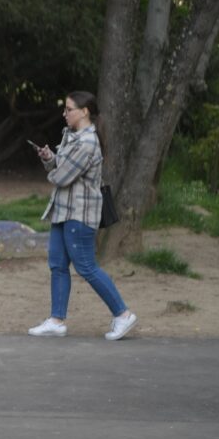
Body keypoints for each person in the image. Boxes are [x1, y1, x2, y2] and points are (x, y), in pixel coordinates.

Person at [28, 91, 137, 341]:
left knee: (86, 267)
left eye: (69, 109)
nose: (64, 113)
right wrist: (50, 158)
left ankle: (123, 314)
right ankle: (56, 321)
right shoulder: (73, 136)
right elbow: (61, 168)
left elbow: (62, 177)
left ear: (84, 111)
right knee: (57, 265)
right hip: (63, 211)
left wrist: (53, 170)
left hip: (80, 214)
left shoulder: (87, 143)